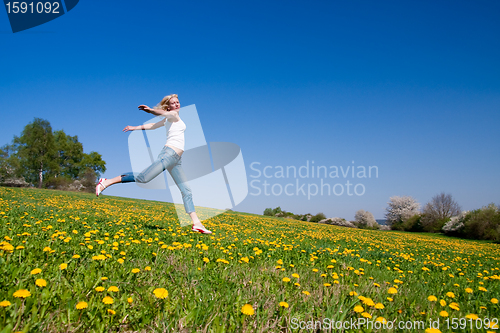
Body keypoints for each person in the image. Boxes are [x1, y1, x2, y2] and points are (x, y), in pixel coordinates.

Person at [95, 94, 212, 234]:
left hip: (176, 160)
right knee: (144, 178)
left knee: (186, 190)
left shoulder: (171, 119)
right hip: (168, 155)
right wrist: (150, 111)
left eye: (178, 102)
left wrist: (134, 127)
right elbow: (160, 116)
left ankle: (197, 223)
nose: (176, 104)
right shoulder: (172, 115)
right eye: (173, 103)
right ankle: (106, 182)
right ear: (169, 107)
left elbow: (152, 126)